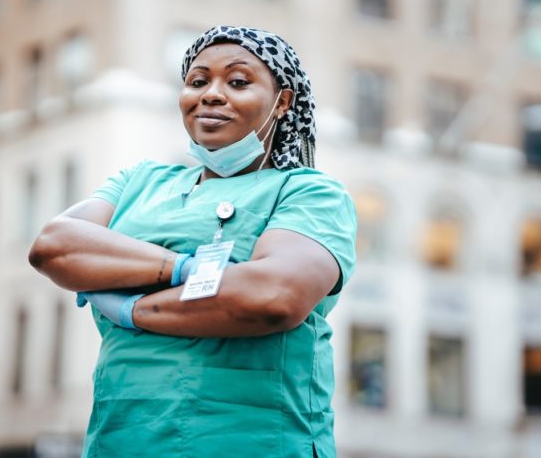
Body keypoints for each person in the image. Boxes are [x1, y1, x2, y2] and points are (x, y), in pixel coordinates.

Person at [29, 25, 357, 457]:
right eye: (198, 81)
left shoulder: (309, 193)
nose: (212, 94)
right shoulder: (140, 181)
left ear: (282, 102)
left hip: (251, 441)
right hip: (124, 441)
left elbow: (273, 295)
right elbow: (55, 246)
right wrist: (189, 271)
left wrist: (131, 308)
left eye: (238, 82)